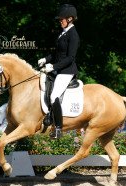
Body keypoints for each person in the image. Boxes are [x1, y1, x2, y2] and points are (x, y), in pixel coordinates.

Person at [38, 4, 80, 139]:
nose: (59, 21)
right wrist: (45, 59)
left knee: (53, 95)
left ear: (70, 19)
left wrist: (53, 67)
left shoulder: (73, 35)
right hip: (59, 69)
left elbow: (70, 58)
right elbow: (56, 54)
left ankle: (58, 129)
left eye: (61, 19)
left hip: (67, 71)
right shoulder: (63, 33)